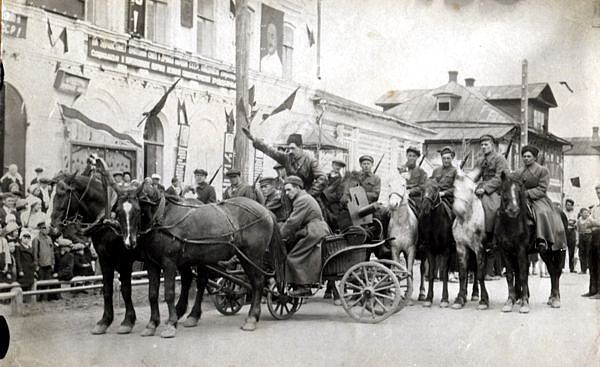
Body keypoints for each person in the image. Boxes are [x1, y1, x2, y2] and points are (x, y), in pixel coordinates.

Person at [280, 176, 330, 296]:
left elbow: (292, 222)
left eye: (289, 190)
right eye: (285, 190)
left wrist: (279, 236)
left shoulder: (302, 200)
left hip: (314, 230)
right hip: (315, 228)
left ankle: (303, 287)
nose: (286, 193)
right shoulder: (304, 197)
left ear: (297, 188)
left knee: (293, 257)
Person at [242, 130, 328, 198]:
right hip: (289, 194)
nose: (290, 151)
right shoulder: (287, 158)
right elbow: (271, 151)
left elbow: (323, 177)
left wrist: (310, 193)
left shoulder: (311, 161)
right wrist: (255, 140)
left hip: (305, 197)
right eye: (289, 148)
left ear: (301, 147)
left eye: (293, 148)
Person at [514, 145, 567, 256]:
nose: (526, 158)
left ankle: (541, 239)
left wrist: (527, 193)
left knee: (541, 212)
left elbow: (542, 188)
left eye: (529, 156)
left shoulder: (542, 170)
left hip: (537, 198)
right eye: (524, 156)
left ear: (534, 158)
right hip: (520, 199)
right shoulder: (518, 172)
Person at [473, 134, 509, 249]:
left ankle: (490, 235)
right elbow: (475, 176)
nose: (483, 147)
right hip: (479, 187)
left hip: (495, 189)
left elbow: (499, 178)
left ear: (492, 145)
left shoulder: (499, 159)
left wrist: (485, 188)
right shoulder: (480, 160)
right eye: (482, 145)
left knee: (491, 208)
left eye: (486, 144)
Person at [582, 184, 600, 299]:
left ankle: (599, 291)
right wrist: (594, 222)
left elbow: (591, 222)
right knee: (592, 263)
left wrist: (593, 222)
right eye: (597, 192)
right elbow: (586, 224)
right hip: (594, 237)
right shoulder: (594, 208)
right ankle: (592, 290)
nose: (599, 195)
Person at [430, 146, 458, 210]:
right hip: (435, 198)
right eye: (444, 158)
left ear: (452, 158)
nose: (446, 160)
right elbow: (431, 185)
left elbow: (456, 188)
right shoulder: (436, 170)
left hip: (448, 199)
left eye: (448, 158)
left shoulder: (455, 171)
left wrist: (444, 193)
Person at [564, 198, 578, 273]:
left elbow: (576, 223)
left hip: (572, 231)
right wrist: (569, 223)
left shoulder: (574, 213)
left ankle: (572, 267)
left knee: (571, 250)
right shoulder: (563, 213)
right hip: (564, 231)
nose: (568, 206)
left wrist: (572, 223)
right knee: (562, 249)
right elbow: (563, 222)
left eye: (570, 205)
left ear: (572, 206)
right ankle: (561, 267)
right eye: (567, 205)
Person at [578, 207, 592, 275]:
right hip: (581, 237)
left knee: (588, 253)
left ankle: (588, 268)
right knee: (581, 253)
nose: (586, 214)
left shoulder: (590, 220)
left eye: (587, 213)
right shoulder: (579, 220)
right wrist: (577, 240)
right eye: (584, 213)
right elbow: (577, 231)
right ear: (581, 214)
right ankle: (582, 269)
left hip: (588, 236)